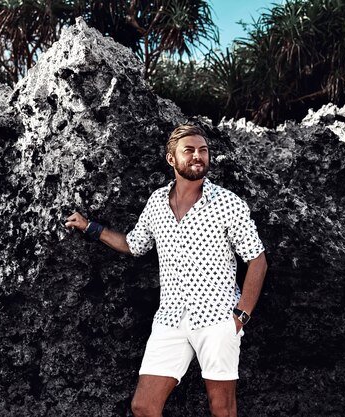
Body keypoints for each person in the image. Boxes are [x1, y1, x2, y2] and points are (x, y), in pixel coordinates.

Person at [64, 124, 267, 417]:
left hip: (218, 318)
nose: (198, 156)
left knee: (222, 408)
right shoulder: (157, 203)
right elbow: (134, 244)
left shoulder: (228, 204)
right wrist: (90, 227)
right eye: (189, 150)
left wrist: (240, 316)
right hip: (170, 318)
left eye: (203, 150)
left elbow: (257, 259)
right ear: (171, 159)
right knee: (144, 406)